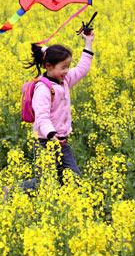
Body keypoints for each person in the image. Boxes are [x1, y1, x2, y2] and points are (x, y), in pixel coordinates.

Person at [22, 30, 95, 190]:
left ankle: (68, 207)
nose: (67, 71)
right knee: (44, 183)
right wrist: (50, 134)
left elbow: (81, 70)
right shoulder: (43, 89)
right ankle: (14, 191)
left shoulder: (65, 80)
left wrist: (88, 43)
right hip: (44, 142)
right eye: (63, 67)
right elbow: (42, 117)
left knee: (73, 179)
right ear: (48, 66)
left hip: (61, 141)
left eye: (68, 67)